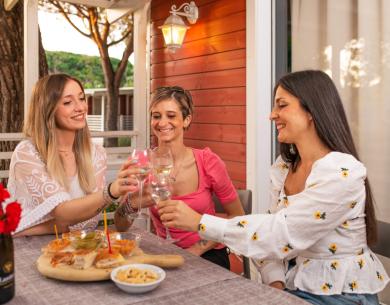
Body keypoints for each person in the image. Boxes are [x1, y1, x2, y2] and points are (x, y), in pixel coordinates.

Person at [157, 70, 389, 304]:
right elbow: (269, 241)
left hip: (341, 296)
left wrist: (199, 222)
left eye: (282, 105)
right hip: (293, 286)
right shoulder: (284, 168)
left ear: (311, 111)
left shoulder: (341, 172)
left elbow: (279, 234)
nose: (272, 115)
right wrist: (276, 285)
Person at [8, 73, 140, 236]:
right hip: (24, 248)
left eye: (82, 98)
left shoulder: (96, 153)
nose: (81, 107)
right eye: (68, 102)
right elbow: (64, 213)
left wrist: (124, 192)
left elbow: (91, 219)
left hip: (74, 249)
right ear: (48, 110)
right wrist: (110, 191)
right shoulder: (28, 152)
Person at [129, 86, 244, 269]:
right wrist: (131, 202)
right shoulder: (142, 162)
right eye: (156, 116)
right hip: (166, 253)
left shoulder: (208, 162)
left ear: (186, 119)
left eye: (171, 115)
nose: (162, 122)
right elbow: (121, 223)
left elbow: (237, 216)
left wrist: (196, 249)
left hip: (208, 253)